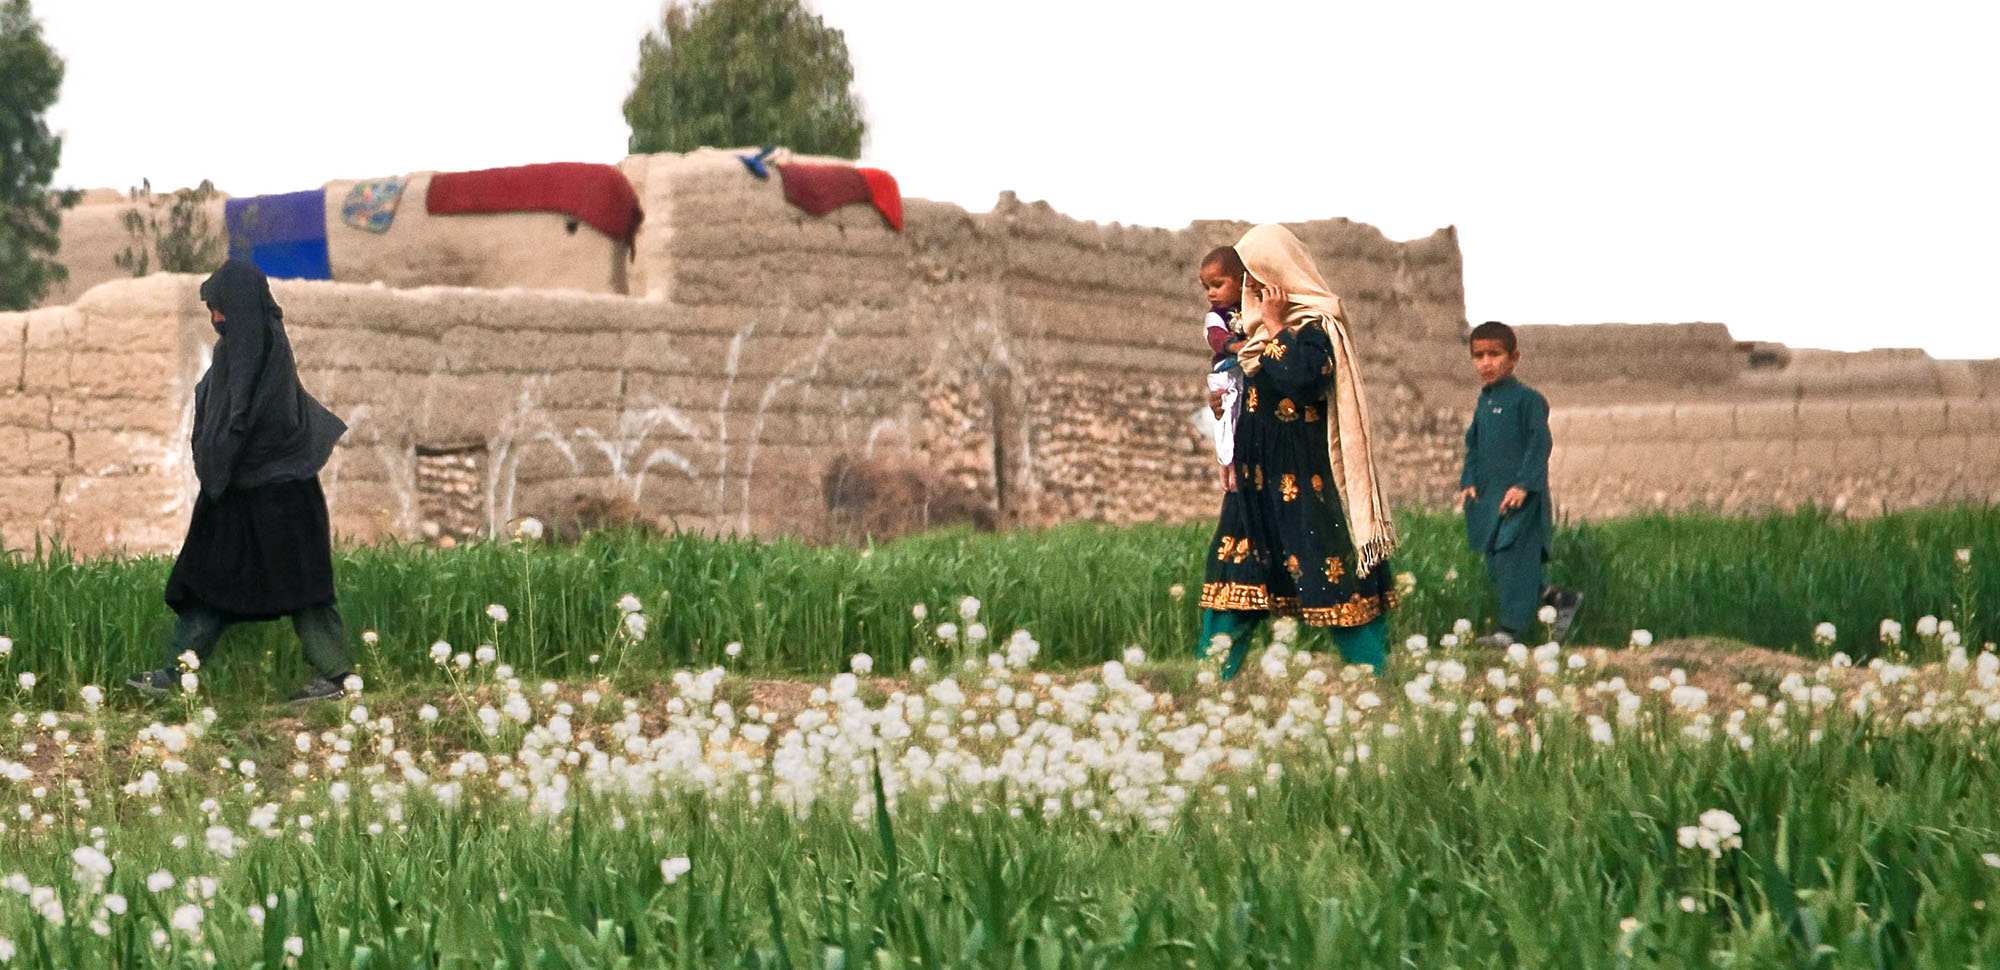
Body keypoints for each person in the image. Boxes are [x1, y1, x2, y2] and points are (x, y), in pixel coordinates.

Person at [126, 261, 354, 702]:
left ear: (242, 307)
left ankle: (338, 678)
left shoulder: (253, 351)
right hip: (253, 490)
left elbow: (240, 420)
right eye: (213, 310)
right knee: (211, 581)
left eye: (222, 309)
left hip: (275, 493)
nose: (216, 319)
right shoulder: (256, 347)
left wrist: (218, 467)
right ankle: (176, 675)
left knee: (301, 588)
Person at [1198, 224, 1400, 677]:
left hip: (1304, 483)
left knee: (1330, 580)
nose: (1248, 287)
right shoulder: (1245, 337)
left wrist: (1275, 326)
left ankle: (1377, 677)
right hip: (1253, 483)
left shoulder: (1316, 327)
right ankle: (1211, 679)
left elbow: (1302, 380)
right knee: (1233, 577)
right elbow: (1256, 385)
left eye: (1254, 276)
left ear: (1277, 277)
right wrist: (1224, 403)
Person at [1457, 321, 1582, 647]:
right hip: (1491, 498)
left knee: (1515, 557)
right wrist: (1469, 480)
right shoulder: (1485, 402)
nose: (1486, 362)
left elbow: (1539, 445)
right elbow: (1475, 445)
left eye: (1494, 354)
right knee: (1500, 564)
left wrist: (1524, 485)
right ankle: (1560, 598)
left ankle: (1508, 633)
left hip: (1521, 497)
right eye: (1478, 355)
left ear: (1513, 358)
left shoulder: (1528, 400)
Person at [1199, 246, 1249, 489]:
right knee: (1227, 419)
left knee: (1243, 421)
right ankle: (1228, 470)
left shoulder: (1250, 308)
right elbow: (1215, 337)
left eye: (1217, 285)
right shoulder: (1216, 315)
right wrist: (1234, 345)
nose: (1211, 293)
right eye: (1207, 287)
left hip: (1244, 371)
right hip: (1226, 372)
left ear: (1240, 283)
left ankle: (1239, 469)